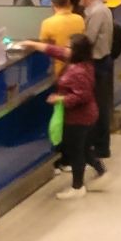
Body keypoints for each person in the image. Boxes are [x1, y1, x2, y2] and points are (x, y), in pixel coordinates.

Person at [18, 34, 105, 197]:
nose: (65, 49)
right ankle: (101, 170)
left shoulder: (78, 71)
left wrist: (60, 99)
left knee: (76, 151)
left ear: (77, 51)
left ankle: (78, 187)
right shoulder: (80, 62)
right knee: (84, 148)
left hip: (79, 118)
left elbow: (82, 96)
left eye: (69, 47)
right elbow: (55, 50)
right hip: (87, 116)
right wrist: (32, 44)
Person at [77, 0, 117, 160]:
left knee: (99, 106)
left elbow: (89, 39)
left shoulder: (96, 13)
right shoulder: (104, 9)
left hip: (98, 63)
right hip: (103, 61)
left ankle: (101, 146)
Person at [36, 0, 86, 75]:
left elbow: (46, 48)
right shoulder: (80, 19)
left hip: (60, 71)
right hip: (79, 68)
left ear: (52, 4)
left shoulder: (47, 23)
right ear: (68, 1)